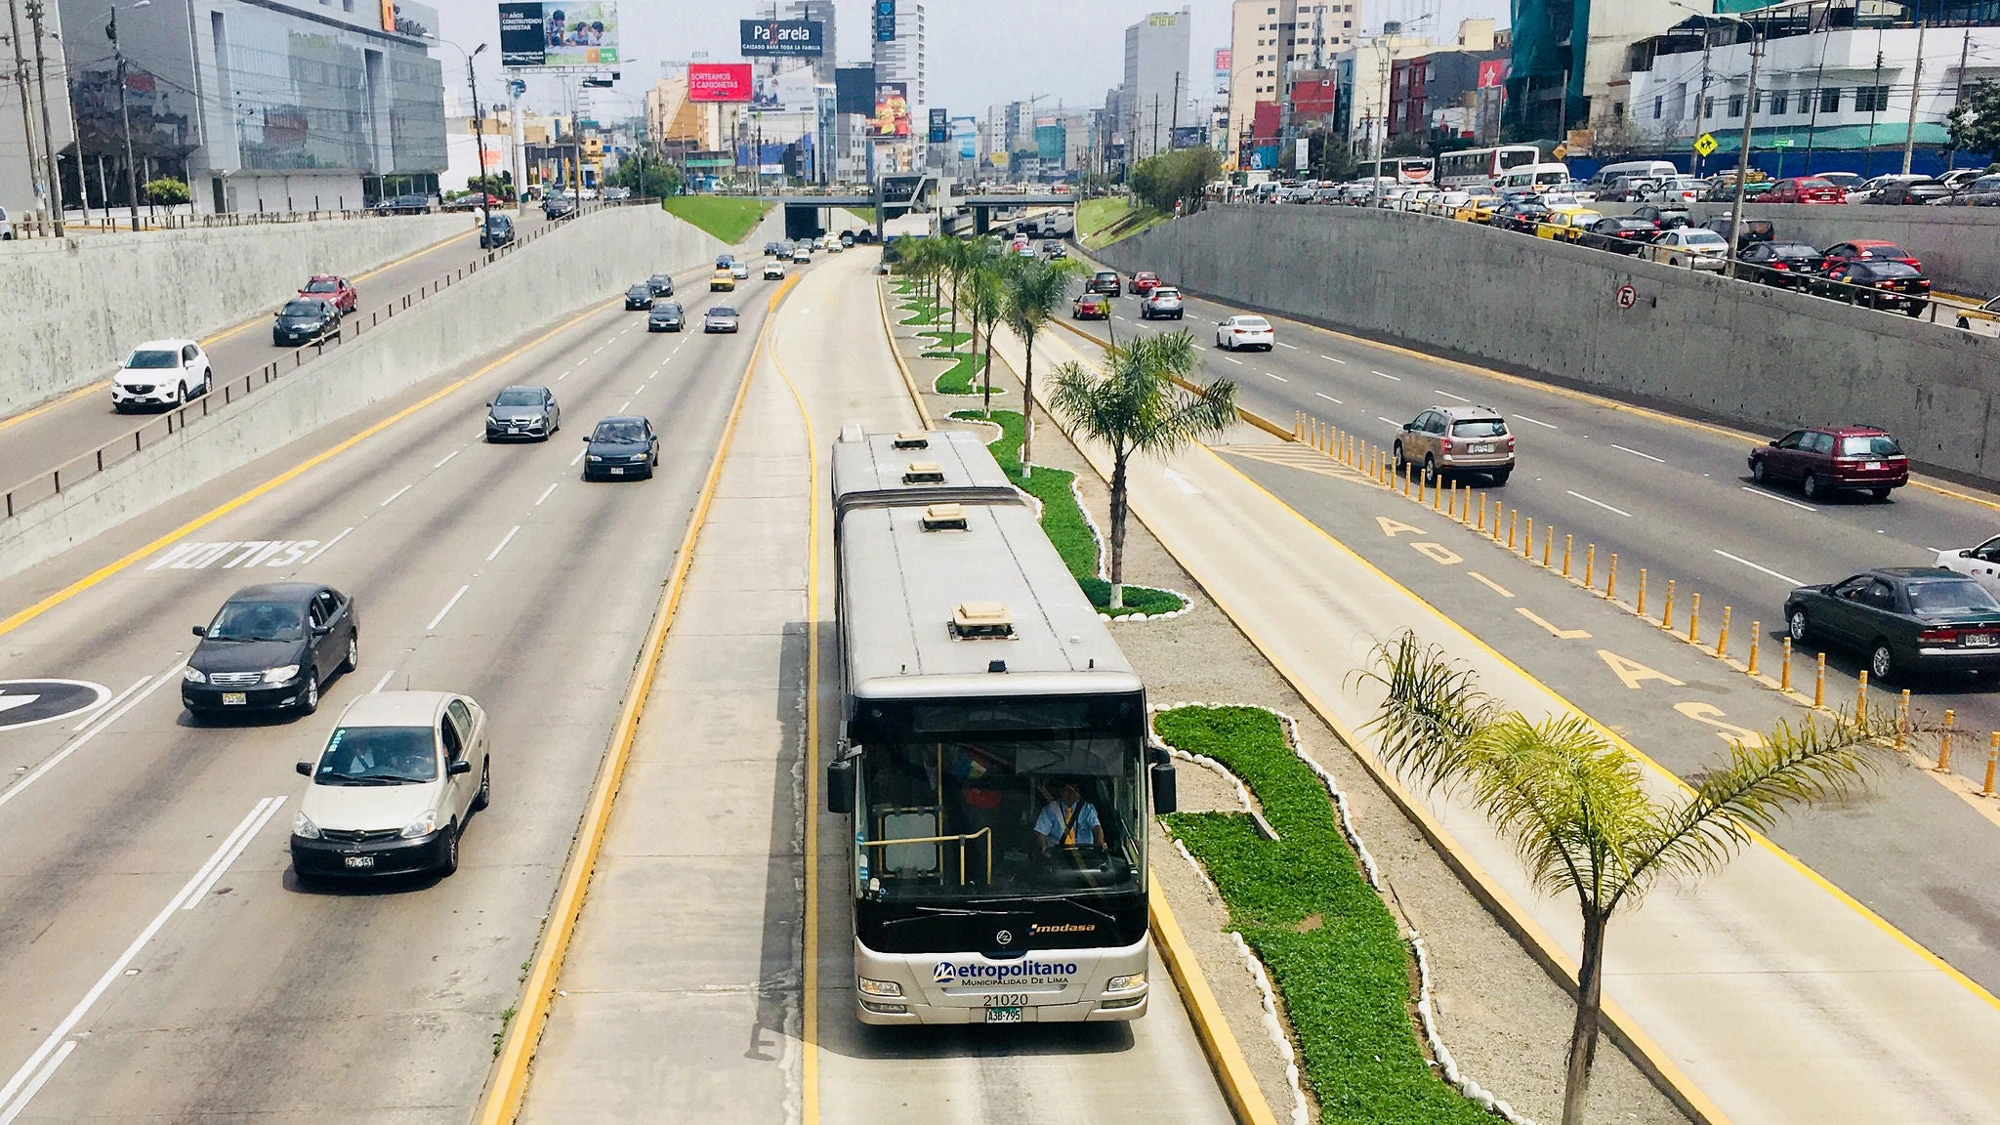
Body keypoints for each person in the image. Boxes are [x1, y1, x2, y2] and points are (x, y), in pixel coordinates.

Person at [1034, 782, 1104, 855]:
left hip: (1084, 856)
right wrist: (1044, 849)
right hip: (1057, 857)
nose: (1071, 793)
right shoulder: (1050, 809)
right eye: (1067, 789)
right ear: (1060, 791)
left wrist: (1099, 844)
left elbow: (1097, 828)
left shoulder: (1087, 809)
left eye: (1075, 790)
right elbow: (1041, 832)